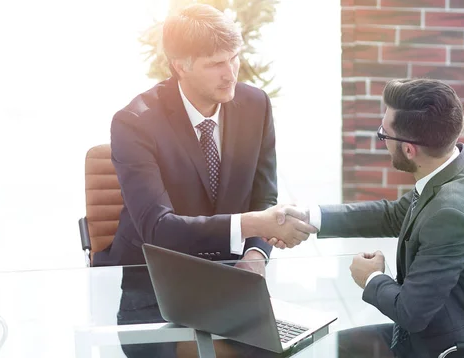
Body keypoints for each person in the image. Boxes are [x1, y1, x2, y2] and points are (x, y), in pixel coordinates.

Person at [91, 4, 315, 357]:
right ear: (181, 65)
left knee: (280, 348)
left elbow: (264, 194)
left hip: (232, 281)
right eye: (216, 64)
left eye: (235, 58)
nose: (231, 74)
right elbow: (157, 228)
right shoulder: (135, 122)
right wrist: (253, 223)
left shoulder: (255, 105)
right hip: (153, 289)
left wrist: (255, 254)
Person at [267, 79, 464, 357]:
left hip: (449, 347)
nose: (382, 141)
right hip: (445, 323)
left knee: (315, 351)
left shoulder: (451, 214)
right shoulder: (461, 164)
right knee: (323, 347)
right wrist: (311, 217)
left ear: (409, 149)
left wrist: (372, 277)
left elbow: (410, 313)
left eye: (383, 135)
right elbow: (394, 214)